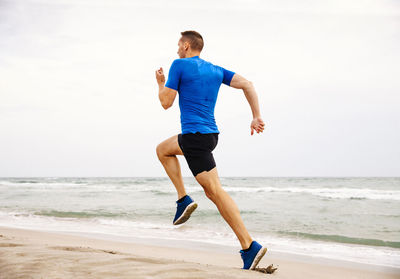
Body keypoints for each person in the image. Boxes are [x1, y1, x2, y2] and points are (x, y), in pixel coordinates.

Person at [154, 30, 266, 270]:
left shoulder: (180, 65)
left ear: (186, 46)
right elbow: (248, 84)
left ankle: (249, 246)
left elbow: (166, 102)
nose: (176, 50)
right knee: (163, 149)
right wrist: (256, 116)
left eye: (178, 45)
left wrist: (161, 84)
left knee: (215, 192)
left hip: (194, 138)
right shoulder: (216, 70)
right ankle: (183, 199)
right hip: (208, 136)